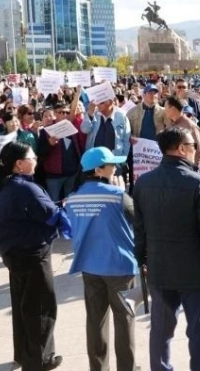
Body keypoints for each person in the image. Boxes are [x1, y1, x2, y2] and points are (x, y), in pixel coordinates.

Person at [133, 127, 200, 371]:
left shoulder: (143, 182)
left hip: (160, 268)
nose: (196, 151)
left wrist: (142, 259)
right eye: (192, 146)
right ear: (181, 148)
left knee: (161, 331)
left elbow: (139, 229)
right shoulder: (197, 181)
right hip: (194, 270)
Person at [0, 141, 65, 371]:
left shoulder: (5, 184)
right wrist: (66, 207)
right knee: (41, 307)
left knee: (23, 305)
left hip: (14, 253)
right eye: (32, 157)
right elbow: (50, 214)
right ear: (19, 164)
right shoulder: (25, 187)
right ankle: (40, 360)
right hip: (31, 254)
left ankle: (23, 354)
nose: (36, 160)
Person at [65, 147, 137, 371]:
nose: (115, 167)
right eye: (111, 164)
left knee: (95, 321)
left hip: (89, 266)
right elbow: (138, 220)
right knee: (124, 320)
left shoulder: (73, 198)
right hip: (120, 266)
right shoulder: (116, 195)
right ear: (98, 170)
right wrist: (122, 192)